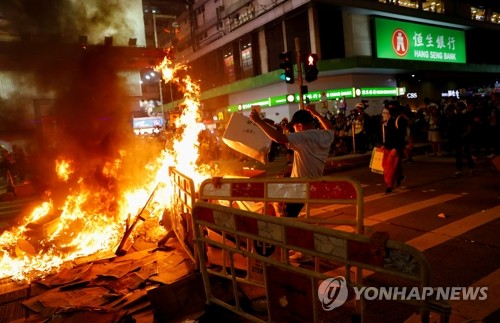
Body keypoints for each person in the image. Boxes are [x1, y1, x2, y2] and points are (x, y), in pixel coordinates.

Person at [250, 105, 334, 217]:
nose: (294, 131)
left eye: (294, 127)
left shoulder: (304, 136)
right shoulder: (324, 135)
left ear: (299, 126)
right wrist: (316, 114)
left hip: (300, 188)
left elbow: (278, 138)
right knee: (279, 203)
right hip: (311, 185)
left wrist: (258, 121)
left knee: (287, 218)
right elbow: (330, 127)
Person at [381, 101, 408, 193]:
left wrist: (396, 148)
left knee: (390, 168)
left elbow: (401, 135)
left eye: (392, 108)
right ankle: (399, 177)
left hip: (395, 148)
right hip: (389, 146)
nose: (390, 110)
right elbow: (389, 134)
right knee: (389, 167)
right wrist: (384, 145)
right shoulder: (390, 119)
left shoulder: (400, 120)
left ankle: (389, 186)